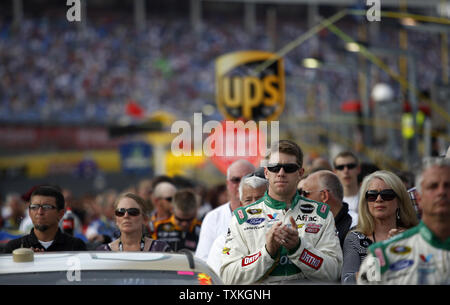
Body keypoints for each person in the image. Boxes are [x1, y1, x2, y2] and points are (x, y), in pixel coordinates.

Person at [220, 140, 342, 284]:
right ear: (266, 172)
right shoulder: (242, 218)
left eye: (289, 168)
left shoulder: (321, 214)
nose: (281, 173)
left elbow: (334, 271)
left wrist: (299, 249)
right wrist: (267, 252)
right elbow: (228, 277)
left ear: (300, 173)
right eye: (275, 167)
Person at [357, 158, 450, 284]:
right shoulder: (383, 255)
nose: (441, 192)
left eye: (448, 185)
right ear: (418, 198)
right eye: (433, 186)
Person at [341, 170, 419, 284]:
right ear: (366, 202)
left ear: (399, 201)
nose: (379, 199)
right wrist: (385, 255)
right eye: (372, 195)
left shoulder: (415, 235)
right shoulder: (355, 238)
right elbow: (347, 280)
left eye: (387, 195)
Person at [207, 171, 268, 274]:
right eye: (248, 200)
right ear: (241, 204)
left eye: (259, 199)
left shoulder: (280, 232)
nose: (254, 205)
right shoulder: (223, 241)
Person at [195, 159, 255, 262]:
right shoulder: (213, 218)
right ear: (227, 184)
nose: (241, 184)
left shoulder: (267, 213)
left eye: (247, 179)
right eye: (236, 180)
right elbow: (203, 260)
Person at [4, 186, 87, 253]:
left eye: (47, 207)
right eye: (34, 207)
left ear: (61, 214)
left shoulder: (75, 246)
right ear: (29, 212)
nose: (40, 212)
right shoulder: (15, 248)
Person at [300, 170, 357, 248]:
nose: (300, 199)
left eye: (305, 194)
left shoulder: (355, 225)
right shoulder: (302, 223)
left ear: (324, 196)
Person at [98, 192, 170, 252]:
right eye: (120, 212)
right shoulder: (103, 252)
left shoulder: (161, 249)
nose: (126, 216)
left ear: (144, 219)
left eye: (133, 212)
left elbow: (180, 269)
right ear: (116, 220)